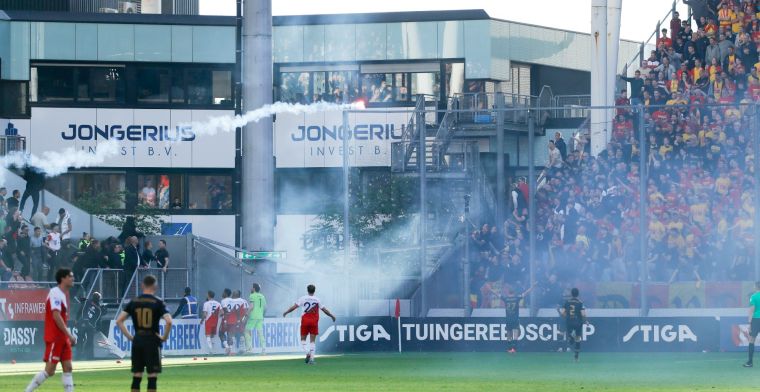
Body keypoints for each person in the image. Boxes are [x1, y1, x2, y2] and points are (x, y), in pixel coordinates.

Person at [115, 275, 172, 392]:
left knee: (137, 376)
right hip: (152, 340)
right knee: (152, 376)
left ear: (142, 285)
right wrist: (164, 337)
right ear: (155, 286)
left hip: (138, 340)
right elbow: (169, 321)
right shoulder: (158, 302)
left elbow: (119, 321)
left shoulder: (134, 301)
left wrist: (130, 337)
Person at [24, 268, 77, 392]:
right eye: (70, 276)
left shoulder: (64, 294)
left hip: (63, 338)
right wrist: (69, 334)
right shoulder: (55, 293)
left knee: (68, 368)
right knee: (50, 370)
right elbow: (56, 315)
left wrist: (67, 336)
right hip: (55, 337)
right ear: (63, 278)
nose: (73, 278)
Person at [283, 284, 336, 365]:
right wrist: (331, 315)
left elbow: (294, 307)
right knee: (312, 342)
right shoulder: (317, 300)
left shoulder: (303, 298)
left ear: (307, 290)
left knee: (303, 340)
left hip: (305, 321)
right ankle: (311, 359)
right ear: (314, 291)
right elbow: (324, 310)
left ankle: (307, 352)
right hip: (314, 321)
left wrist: (286, 312)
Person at [498, 283, 536, 353]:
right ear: (514, 293)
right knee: (515, 334)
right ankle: (514, 349)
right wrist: (532, 287)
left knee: (509, 335)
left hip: (508, 319)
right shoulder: (517, 298)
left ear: (508, 292)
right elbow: (526, 293)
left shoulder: (506, 298)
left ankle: (509, 349)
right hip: (515, 319)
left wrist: (490, 289)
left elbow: (497, 295)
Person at [559, 288, 588, 362]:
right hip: (578, 322)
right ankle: (576, 357)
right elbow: (583, 314)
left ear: (571, 294)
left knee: (570, 336)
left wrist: (563, 313)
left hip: (569, 322)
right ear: (578, 294)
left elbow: (562, 313)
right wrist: (586, 321)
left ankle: (571, 337)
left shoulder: (567, 302)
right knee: (578, 339)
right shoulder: (580, 302)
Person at [75, 292, 102, 360]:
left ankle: (78, 356)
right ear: (98, 299)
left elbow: (82, 310)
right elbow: (97, 319)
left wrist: (78, 319)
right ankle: (89, 356)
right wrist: (94, 326)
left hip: (83, 323)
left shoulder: (88, 301)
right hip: (90, 325)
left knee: (80, 340)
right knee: (90, 341)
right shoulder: (99, 308)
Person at [245, 283, 267, 354]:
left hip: (253, 316)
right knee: (260, 333)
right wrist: (262, 315)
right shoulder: (262, 296)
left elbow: (251, 306)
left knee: (247, 331)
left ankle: (249, 349)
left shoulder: (252, 295)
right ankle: (264, 349)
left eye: (252, 287)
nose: (251, 288)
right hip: (260, 317)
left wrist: (247, 313)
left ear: (254, 289)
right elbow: (265, 308)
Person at [201, 290, 222, 355]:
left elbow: (205, 314)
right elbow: (222, 312)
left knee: (208, 335)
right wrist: (217, 317)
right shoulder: (218, 303)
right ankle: (214, 350)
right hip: (215, 321)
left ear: (208, 295)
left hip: (208, 321)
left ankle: (210, 351)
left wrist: (202, 320)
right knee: (212, 336)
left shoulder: (206, 303)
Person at [744, 281, 760, 367]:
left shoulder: (753, 296)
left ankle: (750, 362)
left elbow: (751, 310)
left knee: (751, 340)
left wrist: (749, 323)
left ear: (756, 287)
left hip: (756, 320)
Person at [220, 288, 234, 355]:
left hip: (226, 318)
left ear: (226, 293)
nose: (222, 293)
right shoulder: (233, 300)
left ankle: (226, 347)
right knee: (230, 334)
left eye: (223, 292)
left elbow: (225, 310)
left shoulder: (223, 301)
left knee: (221, 333)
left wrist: (225, 319)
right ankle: (230, 350)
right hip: (233, 319)